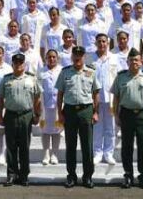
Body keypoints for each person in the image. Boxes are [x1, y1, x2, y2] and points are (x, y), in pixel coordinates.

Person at [56, 45, 101, 189]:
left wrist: (95, 112)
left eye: (80, 55)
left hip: (86, 110)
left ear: (84, 57)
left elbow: (96, 94)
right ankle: (71, 175)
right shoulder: (65, 72)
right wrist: (59, 113)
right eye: (75, 55)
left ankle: (88, 176)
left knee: (87, 145)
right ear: (72, 57)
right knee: (71, 145)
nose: (77, 57)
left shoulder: (91, 72)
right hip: (69, 111)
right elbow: (60, 94)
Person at [112, 48, 143, 189]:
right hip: (126, 114)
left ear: (141, 61)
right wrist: (116, 115)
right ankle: (128, 175)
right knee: (127, 146)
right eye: (131, 60)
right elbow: (116, 98)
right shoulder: (121, 77)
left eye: (136, 60)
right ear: (127, 62)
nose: (134, 62)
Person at [0, 52, 42, 186]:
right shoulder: (6, 79)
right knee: (11, 147)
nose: (18, 65)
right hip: (10, 115)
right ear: (12, 64)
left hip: (26, 115)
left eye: (20, 63)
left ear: (24, 65)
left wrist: (37, 115)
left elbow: (37, 98)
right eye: (15, 63)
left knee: (24, 146)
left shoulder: (32, 79)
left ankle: (24, 175)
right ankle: (11, 174)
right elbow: (0, 99)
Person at [86, 33, 118, 165]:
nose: (102, 44)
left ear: (108, 43)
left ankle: (109, 153)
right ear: (95, 43)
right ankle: (97, 153)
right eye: (99, 41)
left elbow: (118, 77)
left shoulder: (114, 58)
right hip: (96, 97)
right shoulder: (90, 58)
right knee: (97, 127)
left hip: (110, 96)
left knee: (110, 127)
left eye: (104, 41)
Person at [39, 49, 63, 165]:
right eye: (49, 57)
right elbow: (38, 89)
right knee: (45, 130)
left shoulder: (61, 70)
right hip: (45, 105)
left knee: (56, 130)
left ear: (57, 58)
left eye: (54, 57)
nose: (51, 59)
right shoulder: (41, 71)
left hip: (58, 104)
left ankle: (54, 154)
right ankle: (45, 154)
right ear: (45, 58)